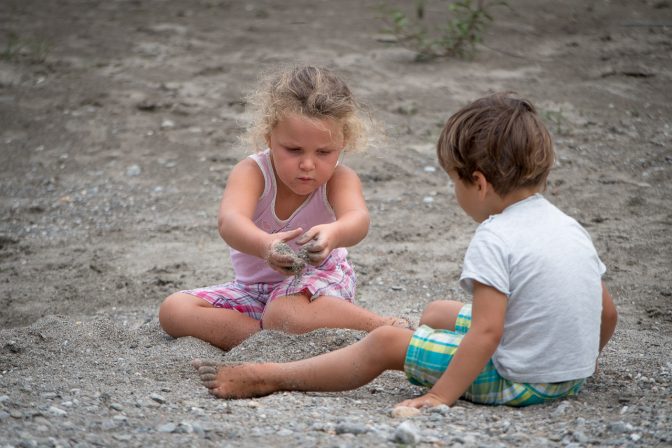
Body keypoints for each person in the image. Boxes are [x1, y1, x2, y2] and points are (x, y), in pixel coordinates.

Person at [192, 93, 618, 407]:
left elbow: (488, 333)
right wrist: (577, 363)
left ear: (480, 182)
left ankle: (272, 376)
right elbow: (606, 313)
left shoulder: (495, 237)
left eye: (455, 181)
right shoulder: (569, 227)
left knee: (387, 342)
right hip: (570, 376)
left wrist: (439, 397)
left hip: (515, 379)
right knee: (436, 314)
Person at [159, 66, 408, 350]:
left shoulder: (339, 178)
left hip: (317, 283)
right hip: (254, 290)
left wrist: (335, 233)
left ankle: (379, 326)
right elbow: (230, 221)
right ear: (269, 138)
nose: (308, 164)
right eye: (294, 150)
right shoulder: (252, 172)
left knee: (284, 312)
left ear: (343, 143)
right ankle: (268, 337)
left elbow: (358, 219)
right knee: (174, 309)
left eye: (324, 152)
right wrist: (265, 245)